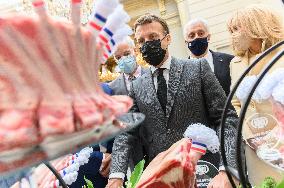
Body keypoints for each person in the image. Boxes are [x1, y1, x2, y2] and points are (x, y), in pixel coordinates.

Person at [107, 14, 239, 188]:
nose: (148, 43)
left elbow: (226, 119)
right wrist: (116, 176)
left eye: (153, 37)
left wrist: (227, 170)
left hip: (206, 173)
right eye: (141, 40)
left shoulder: (197, 69)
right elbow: (126, 133)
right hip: (162, 178)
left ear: (168, 38)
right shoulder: (137, 86)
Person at [228, 4, 284, 186]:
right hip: (254, 147)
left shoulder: (281, 55)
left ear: (256, 25)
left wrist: (276, 136)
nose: (233, 34)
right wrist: (248, 132)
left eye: (237, 28)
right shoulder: (234, 63)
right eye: (230, 30)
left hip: (280, 144)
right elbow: (235, 103)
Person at [184, 18, 234, 96]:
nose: (197, 37)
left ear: (209, 37)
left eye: (201, 33)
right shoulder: (180, 71)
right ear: (186, 42)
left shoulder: (229, 61)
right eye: (192, 35)